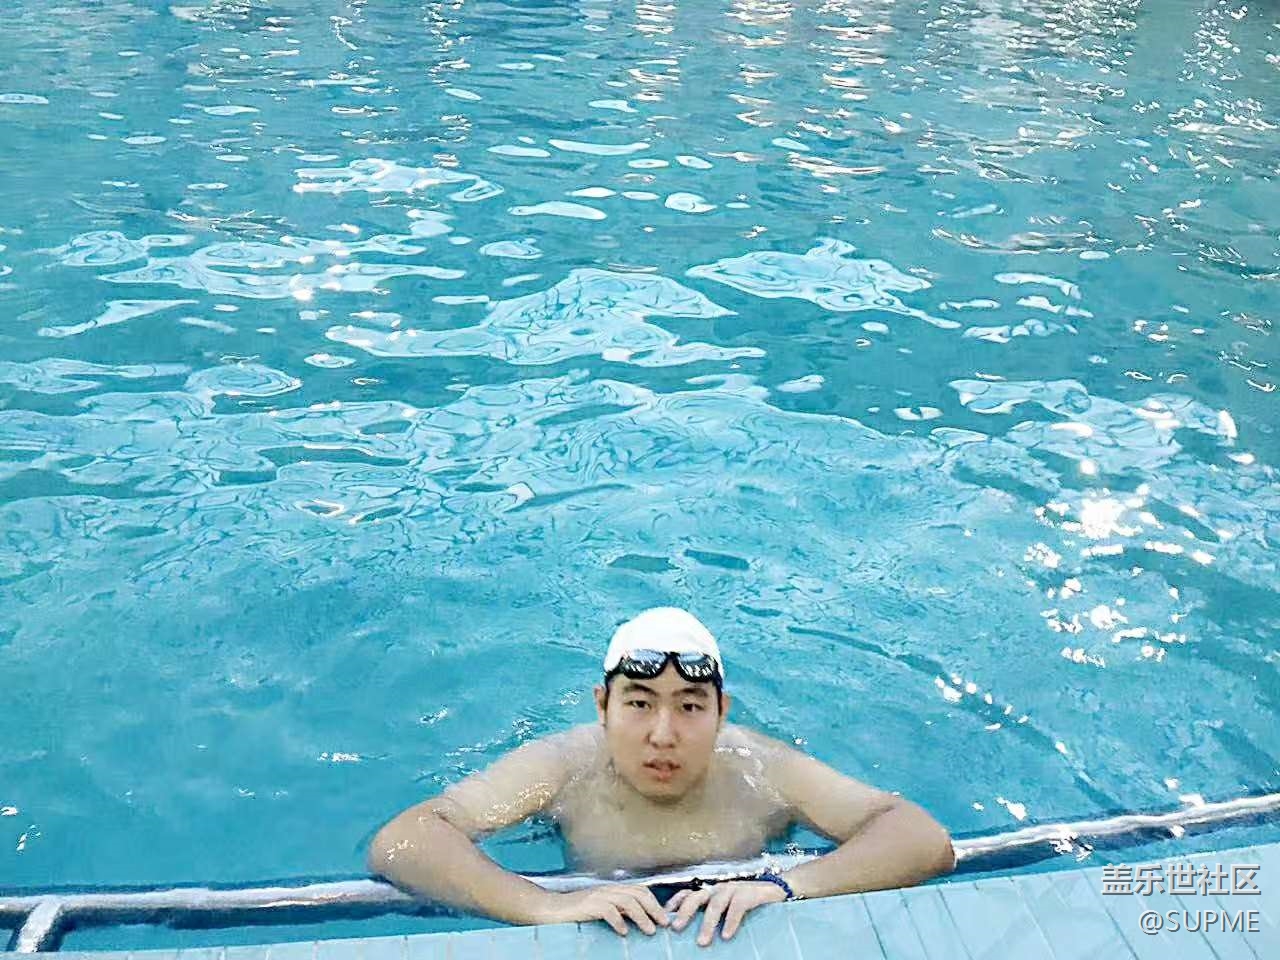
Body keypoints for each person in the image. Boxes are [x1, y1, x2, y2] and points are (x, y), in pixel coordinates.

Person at [368, 607, 954, 947]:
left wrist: (785, 887)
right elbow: (406, 840)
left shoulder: (761, 768)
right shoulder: (563, 765)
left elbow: (920, 837)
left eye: (690, 706)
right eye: (640, 703)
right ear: (602, 707)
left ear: (722, 713)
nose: (663, 734)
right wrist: (543, 906)